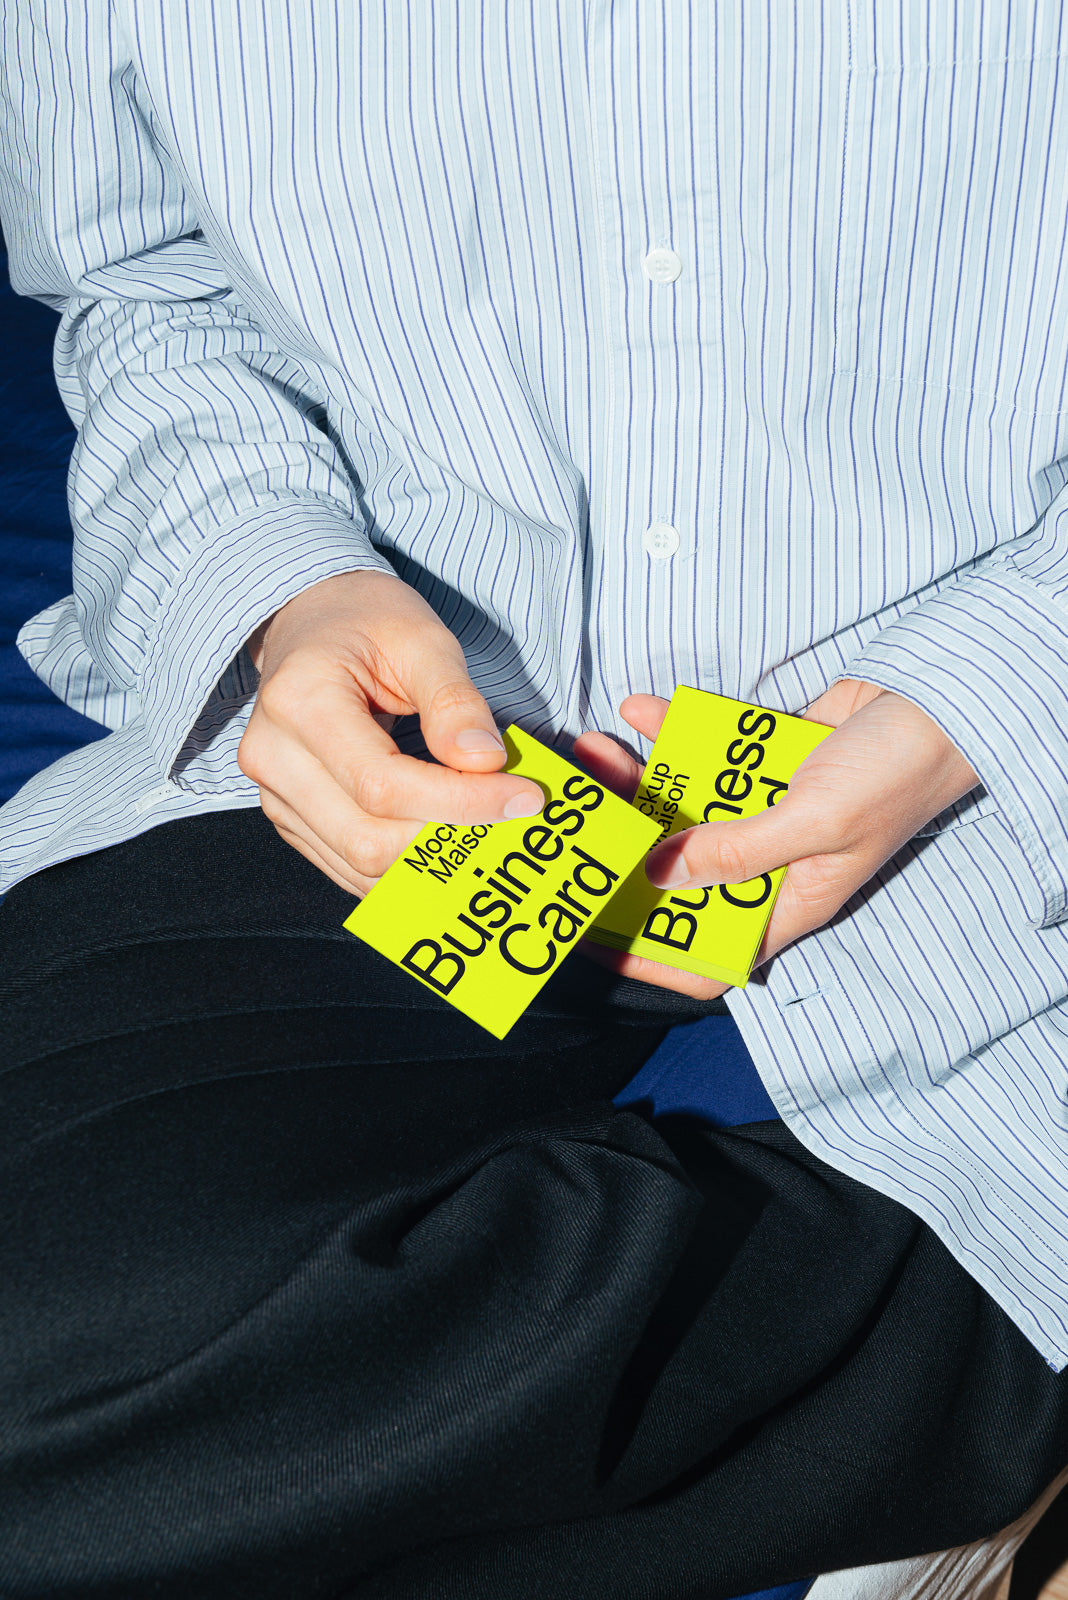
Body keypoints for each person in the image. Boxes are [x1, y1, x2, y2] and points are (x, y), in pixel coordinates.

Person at [1, 3, 1067, 1596]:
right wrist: (283, 590)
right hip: (428, 747)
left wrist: (1000, 687)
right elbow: (146, 293)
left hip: (1007, 757)